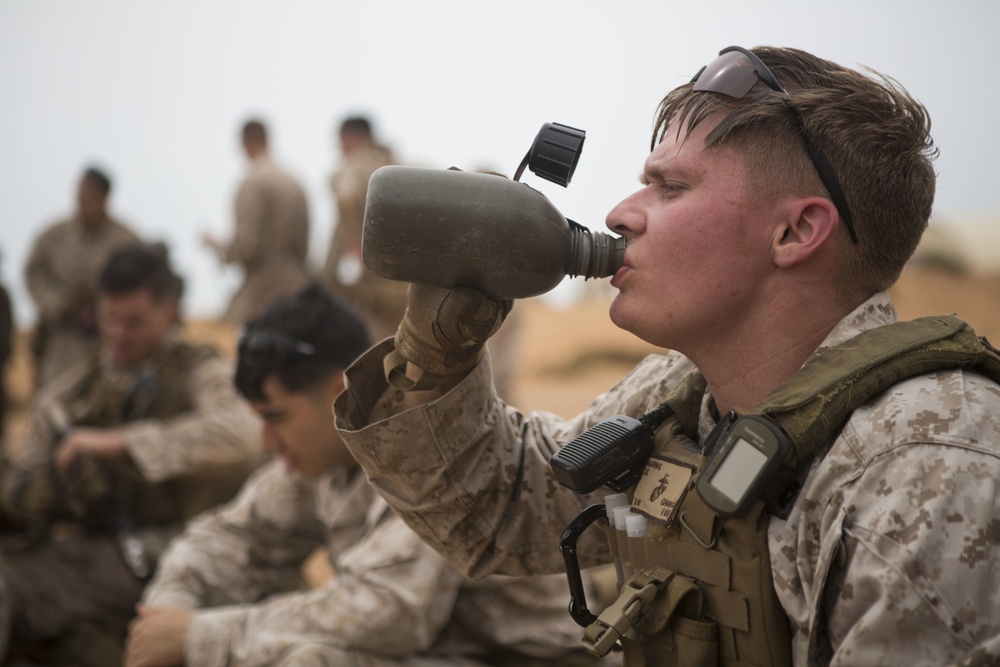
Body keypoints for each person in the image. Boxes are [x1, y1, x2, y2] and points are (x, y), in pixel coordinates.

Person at [334, 45, 1000, 665]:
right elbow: (503, 508)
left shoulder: (932, 467)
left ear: (796, 231)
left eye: (670, 187)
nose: (620, 213)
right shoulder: (685, 397)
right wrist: (438, 347)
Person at [124, 283, 599, 667]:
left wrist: (199, 638)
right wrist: (169, 611)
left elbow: (387, 613)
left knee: (313, 660)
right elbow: (228, 537)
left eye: (276, 417)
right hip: (450, 652)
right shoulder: (318, 465)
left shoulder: (424, 452)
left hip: (537, 658)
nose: (267, 442)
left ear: (335, 392)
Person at [0, 242, 262, 665]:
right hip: (101, 558)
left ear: (169, 310)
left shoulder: (200, 370)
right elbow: (22, 490)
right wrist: (40, 491)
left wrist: (120, 443)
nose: (119, 335)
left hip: (191, 549)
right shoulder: (69, 396)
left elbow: (242, 435)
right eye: (109, 320)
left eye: (135, 322)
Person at [24, 166, 141, 387]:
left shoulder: (127, 241)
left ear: (105, 198)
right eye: (79, 196)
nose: (82, 203)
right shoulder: (53, 237)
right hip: (62, 341)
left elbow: (143, 283)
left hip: (110, 341)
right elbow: (33, 274)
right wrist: (55, 304)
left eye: (89, 197)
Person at [202, 119, 311, 324]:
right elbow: (304, 241)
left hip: (263, 289)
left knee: (227, 337)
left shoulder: (252, 182)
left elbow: (246, 245)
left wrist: (218, 247)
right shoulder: (294, 180)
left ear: (244, 143)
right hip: (298, 285)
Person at [320, 115, 408, 340]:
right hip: (399, 276)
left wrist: (353, 243)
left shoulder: (356, 165)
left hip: (368, 274)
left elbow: (346, 195)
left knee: (367, 339)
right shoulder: (394, 164)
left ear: (350, 138)